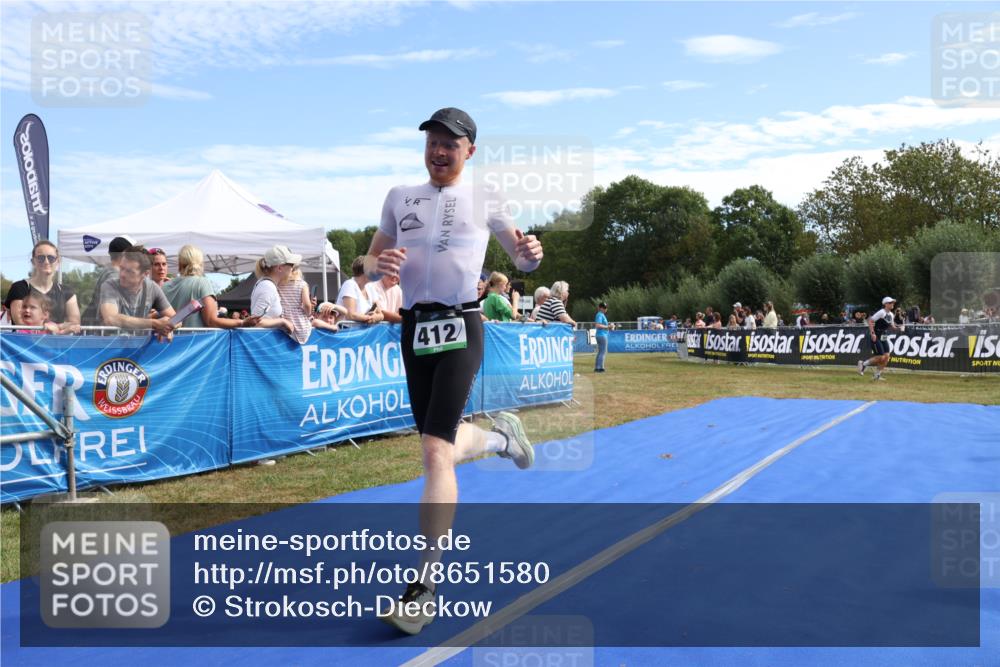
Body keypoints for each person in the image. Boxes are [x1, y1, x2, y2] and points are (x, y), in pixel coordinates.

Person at [364, 107, 543, 635]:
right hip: (414, 329)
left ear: (470, 150)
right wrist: (378, 267)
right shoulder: (400, 196)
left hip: (462, 323)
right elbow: (370, 261)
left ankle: (424, 586)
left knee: (434, 451)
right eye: (433, 142)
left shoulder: (485, 196)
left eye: (450, 143)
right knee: (438, 443)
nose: (439, 151)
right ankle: (502, 439)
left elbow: (520, 256)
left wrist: (530, 256)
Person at [163, 244, 257, 329]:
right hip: (195, 341)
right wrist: (242, 322)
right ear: (200, 262)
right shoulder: (202, 283)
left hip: (168, 341)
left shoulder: (165, 286)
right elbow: (211, 321)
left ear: (180, 263)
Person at [99, 245, 177, 342]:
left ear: (145, 274)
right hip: (108, 347)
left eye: (129, 271)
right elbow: (111, 318)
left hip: (136, 347)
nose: (122, 274)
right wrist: (155, 324)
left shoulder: (152, 288)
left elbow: (176, 318)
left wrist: (168, 327)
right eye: (121, 268)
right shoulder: (110, 285)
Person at [4, 240, 81, 327]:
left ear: (58, 261)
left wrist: (55, 328)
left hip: (56, 336)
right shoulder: (20, 287)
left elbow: (75, 323)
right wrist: (47, 329)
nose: (46, 262)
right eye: (41, 258)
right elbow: (20, 322)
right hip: (24, 337)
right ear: (33, 261)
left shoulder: (67, 292)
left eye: (51, 258)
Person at [81, 235, 135, 326]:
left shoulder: (108, 271)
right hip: (102, 331)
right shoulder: (114, 277)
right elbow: (111, 317)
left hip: (94, 326)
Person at [250, 245, 297, 335]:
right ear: (279, 268)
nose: (292, 268)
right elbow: (255, 322)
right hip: (264, 341)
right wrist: (282, 321)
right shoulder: (267, 286)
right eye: (291, 264)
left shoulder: (267, 284)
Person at [858, 296, 904, 381]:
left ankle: (877, 375)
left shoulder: (891, 314)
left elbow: (892, 326)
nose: (892, 304)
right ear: (885, 304)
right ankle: (863, 364)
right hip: (876, 335)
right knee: (881, 357)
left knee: (886, 357)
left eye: (893, 302)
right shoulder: (881, 312)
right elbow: (870, 321)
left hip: (883, 336)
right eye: (890, 303)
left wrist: (899, 328)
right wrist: (872, 333)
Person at [337, 256, 383, 326]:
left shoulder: (370, 287)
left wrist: (376, 317)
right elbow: (350, 315)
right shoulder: (349, 284)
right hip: (346, 330)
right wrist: (370, 318)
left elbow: (381, 314)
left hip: (363, 331)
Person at [279, 266, 313, 344]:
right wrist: (308, 313)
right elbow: (307, 304)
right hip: (298, 320)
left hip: (283, 318)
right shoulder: (302, 284)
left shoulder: (279, 283)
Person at [594, 301, 614, 372]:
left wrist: (609, 327)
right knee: (603, 352)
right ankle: (600, 368)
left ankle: (597, 367)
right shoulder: (600, 314)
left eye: (605, 308)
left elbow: (602, 325)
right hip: (602, 335)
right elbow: (598, 325)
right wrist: (608, 326)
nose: (605, 309)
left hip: (601, 335)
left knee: (600, 352)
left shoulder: (601, 315)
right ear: (599, 308)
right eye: (603, 307)